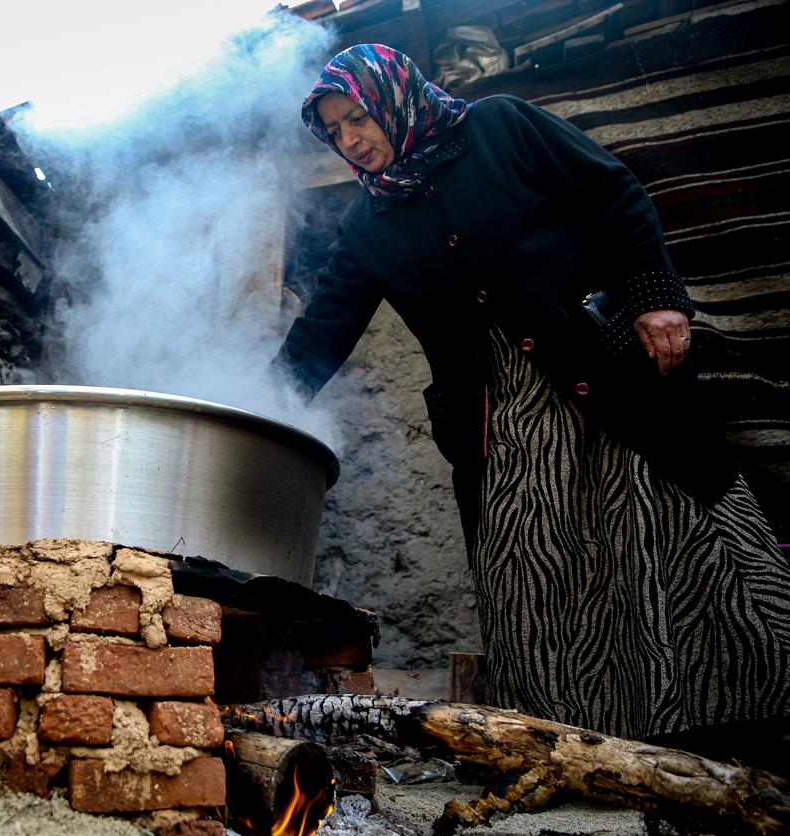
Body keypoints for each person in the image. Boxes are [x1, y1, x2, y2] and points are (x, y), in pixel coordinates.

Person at [274, 43, 790, 753]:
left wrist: (654, 295)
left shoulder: (501, 126)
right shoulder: (367, 227)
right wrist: (261, 407)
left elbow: (614, 192)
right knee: (536, 573)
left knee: (671, 537)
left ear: (396, 98)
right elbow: (321, 330)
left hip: (607, 382)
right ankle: (571, 745)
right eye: (334, 130)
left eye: (358, 117)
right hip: (502, 424)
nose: (351, 139)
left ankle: (741, 732)